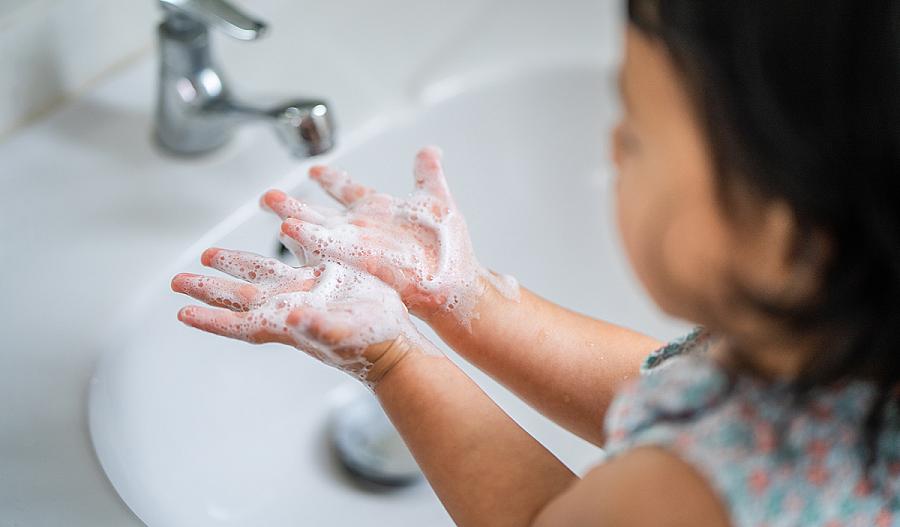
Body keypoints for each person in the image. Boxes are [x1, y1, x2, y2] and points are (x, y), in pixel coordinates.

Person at [171, 1, 900, 524]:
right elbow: (670, 391)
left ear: (786, 239)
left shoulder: (697, 493)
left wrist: (392, 359)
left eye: (637, 136)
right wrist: (468, 300)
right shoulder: (846, 359)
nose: (612, 148)